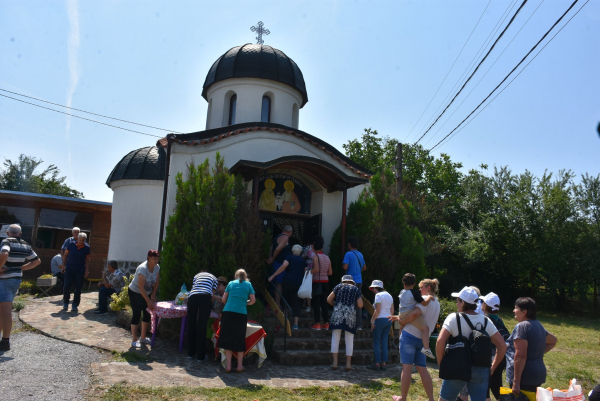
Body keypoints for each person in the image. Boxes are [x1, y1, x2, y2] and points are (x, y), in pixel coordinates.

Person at [436, 287, 507, 401]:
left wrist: (442, 364)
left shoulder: (453, 318)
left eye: (458, 301)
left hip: (457, 367)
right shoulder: (485, 321)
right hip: (480, 368)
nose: (456, 304)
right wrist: (492, 367)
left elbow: (440, 341)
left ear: (463, 302)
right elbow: (502, 346)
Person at [390, 278, 441, 401]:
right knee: (423, 370)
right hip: (423, 341)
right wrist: (398, 318)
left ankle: (403, 398)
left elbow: (413, 315)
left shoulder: (423, 301)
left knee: (406, 369)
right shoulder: (437, 303)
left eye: (421, 287)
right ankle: (431, 399)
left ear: (428, 288)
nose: (419, 289)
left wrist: (401, 320)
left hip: (410, 336)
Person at [505, 297, 558, 397]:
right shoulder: (539, 325)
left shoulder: (522, 326)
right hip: (537, 374)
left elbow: (520, 355)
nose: (513, 310)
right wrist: (536, 353)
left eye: (516, 308)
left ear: (524, 312)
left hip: (525, 377)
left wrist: (516, 382)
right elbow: (553, 340)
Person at [0, 224, 41, 351]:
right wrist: (21, 268)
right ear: (20, 233)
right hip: (16, 279)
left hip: (5, 279)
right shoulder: (25, 245)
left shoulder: (6, 241)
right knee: (3, 310)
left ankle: (5, 341)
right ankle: (4, 340)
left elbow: (5, 253)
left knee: (6, 310)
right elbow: (37, 261)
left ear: (8, 233)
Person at [220, 269, 256, 373]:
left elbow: (223, 299)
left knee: (227, 337)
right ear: (245, 276)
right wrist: (246, 303)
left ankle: (228, 366)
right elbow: (253, 301)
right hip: (241, 313)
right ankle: (240, 366)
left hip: (228, 312)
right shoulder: (248, 284)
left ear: (236, 276)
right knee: (239, 338)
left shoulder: (231, 283)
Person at [327, 275, 363, 371]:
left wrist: (336, 305)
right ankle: (348, 364)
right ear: (352, 281)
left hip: (337, 314)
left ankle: (335, 363)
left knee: (335, 338)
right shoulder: (355, 289)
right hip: (350, 315)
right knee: (349, 339)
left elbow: (329, 299)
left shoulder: (339, 286)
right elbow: (360, 304)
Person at [479, 292, 510, 401]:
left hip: (489, 359)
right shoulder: (499, 320)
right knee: (497, 386)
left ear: (485, 306)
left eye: (482, 302)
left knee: (485, 390)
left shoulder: (484, 320)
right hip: (502, 358)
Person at [398, 273, 436, 359]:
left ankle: (400, 346)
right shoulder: (414, 294)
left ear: (403, 282)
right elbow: (425, 303)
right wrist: (429, 297)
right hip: (409, 313)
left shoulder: (402, 292)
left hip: (401, 313)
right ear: (414, 284)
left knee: (402, 327)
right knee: (425, 328)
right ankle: (426, 348)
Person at [128, 249, 160, 348]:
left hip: (147, 292)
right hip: (135, 292)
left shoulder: (157, 267)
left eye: (157, 259)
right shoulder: (142, 268)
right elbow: (141, 287)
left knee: (147, 314)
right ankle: (134, 339)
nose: (156, 261)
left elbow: (156, 283)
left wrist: (153, 295)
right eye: (154, 259)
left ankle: (143, 337)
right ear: (148, 258)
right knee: (137, 314)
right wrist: (148, 301)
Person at [268, 244, 306, 329]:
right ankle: (295, 323)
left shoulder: (289, 257)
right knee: (297, 302)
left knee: (285, 299)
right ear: (300, 252)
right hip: (298, 283)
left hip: (287, 281)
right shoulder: (303, 261)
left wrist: (273, 275)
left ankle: (286, 317)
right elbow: (305, 272)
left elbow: (283, 266)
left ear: (292, 251)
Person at [187, 270, 218, 361]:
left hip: (192, 297)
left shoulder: (196, 275)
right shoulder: (214, 278)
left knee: (191, 324)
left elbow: (194, 288)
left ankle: (190, 353)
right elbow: (212, 293)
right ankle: (201, 356)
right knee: (202, 326)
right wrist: (210, 305)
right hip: (205, 296)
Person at [367, 279, 394, 371]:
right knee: (384, 341)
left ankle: (377, 364)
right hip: (388, 320)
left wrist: (372, 321)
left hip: (379, 319)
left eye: (373, 288)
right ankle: (384, 364)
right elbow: (392, 311)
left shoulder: (378, 295)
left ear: (376, 288)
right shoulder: (389, 295)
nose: (372, 290)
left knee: (376, 342)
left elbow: (377, 310)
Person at [61, 232, 90, 312]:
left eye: (82, 241)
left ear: (84, 240)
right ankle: (66, 302)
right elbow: (66, 255)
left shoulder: (87, 248)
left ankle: (75, 304)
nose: (81, 242)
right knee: (66, 286)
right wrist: (63, 265)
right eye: (80, 240)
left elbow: (87, 259)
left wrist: (86, 269)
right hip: (70, 268)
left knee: (78, 288)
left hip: (80, 270)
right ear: (78, 239)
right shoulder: (71, 244)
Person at [342, 237, 366, 330]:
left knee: (348, 302)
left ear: (349, 244)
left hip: (350, 281)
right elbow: (364, 267)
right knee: (358, 303)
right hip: (359, 280)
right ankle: (358, 325)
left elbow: (345, 267)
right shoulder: (360, 254)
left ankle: (349, 323)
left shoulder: (348, 254)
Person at [266, 225, 292, 307]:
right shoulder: (285, 238)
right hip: (280, 263)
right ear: (290, 232)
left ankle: (276, 303)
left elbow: (271, 248)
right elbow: (277, 249)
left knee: (277, 283)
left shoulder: (277, 237)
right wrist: (273, 258)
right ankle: (278, 304)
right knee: (279, 284)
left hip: (276, 263)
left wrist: (270, 257)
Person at [309, 235, 332, 330]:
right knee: (324, 303)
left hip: (317, 282)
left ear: (314, 247)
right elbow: (330, 272)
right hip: (326, 281)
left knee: (316, 303)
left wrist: (308, 270)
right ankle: (326, 323)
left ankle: (317, 323)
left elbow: (316, 269)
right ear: (322, 247)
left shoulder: (315, 257)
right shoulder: (327, 258)